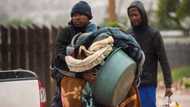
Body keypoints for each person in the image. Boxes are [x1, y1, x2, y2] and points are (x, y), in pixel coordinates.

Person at [127, 1, 173, 107]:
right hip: (131, 84)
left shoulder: (154, 34)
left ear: (142, 14)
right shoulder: (128, 35)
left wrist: (168, 84)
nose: (133, 18)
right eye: (131, 16)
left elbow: (163, 60)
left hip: (148, 84)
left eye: (135, 15)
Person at [51, 1, 97, 107]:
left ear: (89, 16)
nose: (77, 17)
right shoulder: (66, 33)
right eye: (74, 15)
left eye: (81, 14)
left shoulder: (96, 33)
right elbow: (58, 60)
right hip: (67, 82)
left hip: (90, 86)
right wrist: (80, 75)